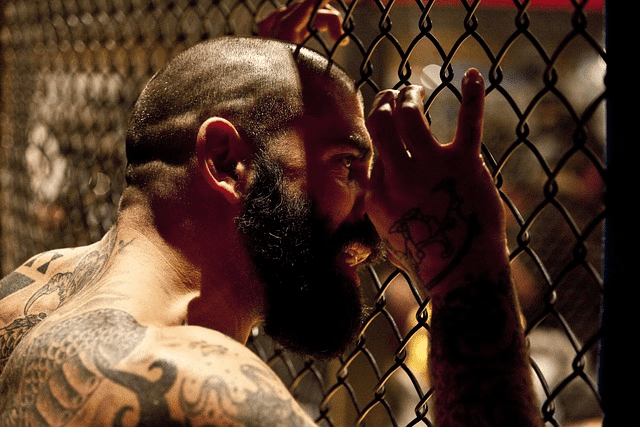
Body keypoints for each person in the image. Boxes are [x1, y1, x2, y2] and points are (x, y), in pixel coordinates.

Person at [0, 2, 541, 426]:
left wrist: (265, 93)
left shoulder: (25, 294)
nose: (373, 210)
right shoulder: (205, 391)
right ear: (226, 160)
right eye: (345, 164)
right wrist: (467, 268)